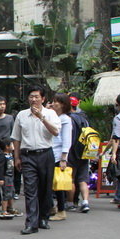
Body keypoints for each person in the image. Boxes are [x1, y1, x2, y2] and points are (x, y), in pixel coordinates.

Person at [11, 86, 61, 234]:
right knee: (30, 189)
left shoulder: (50, 114)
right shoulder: (21, 115)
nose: (33, 99)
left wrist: (41, 117)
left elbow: (56, 132)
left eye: (37, 97)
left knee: (45, 189)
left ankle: (43, 218)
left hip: (46, 154)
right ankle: (31, 223)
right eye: (31, 97)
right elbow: (16, 138)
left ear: (43, 99)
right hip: (27, 155)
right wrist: (17, 157)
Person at [67, 95, 91, 213]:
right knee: (82, 180)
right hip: (85, 152)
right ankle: (85, 202)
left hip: (72, 152)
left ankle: (70, 203)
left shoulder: (68, 119)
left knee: (71, 179)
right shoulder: (84, 118)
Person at [50, 93, 73, 221]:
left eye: (56, 102)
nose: (54, 104)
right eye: (53, 101)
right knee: (51, 183)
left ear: (63, 104)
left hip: (58, 155)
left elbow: (66, 139)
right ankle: (53, 207)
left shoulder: (65, 119)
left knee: (59, 185)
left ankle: (61, 210)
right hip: (51, 153)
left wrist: (64, 158)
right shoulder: (53, 116)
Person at [0, 137, 21, 219]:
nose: (13, 146)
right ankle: (4, 211)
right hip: (6, 178)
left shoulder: (10, 155)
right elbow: (1, 168)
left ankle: (10, 208)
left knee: (11, 193)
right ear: (7, 147)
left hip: (11, 177)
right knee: (6, 194)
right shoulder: (3, 156)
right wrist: (1, 178)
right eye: (11, 145)